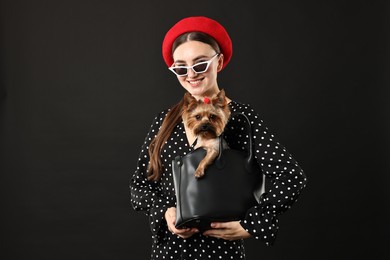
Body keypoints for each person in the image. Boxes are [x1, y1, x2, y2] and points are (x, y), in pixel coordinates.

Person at [130, 16, 307, 260]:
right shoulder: (165, 120)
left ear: (219, 62)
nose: (191, 74)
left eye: (200, 64)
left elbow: (291, 177)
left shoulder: (242, 118)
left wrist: (252, 223)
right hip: (169, 252)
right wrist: (165, 212)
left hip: (221, 252)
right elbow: (139, 185)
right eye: (181, 67)